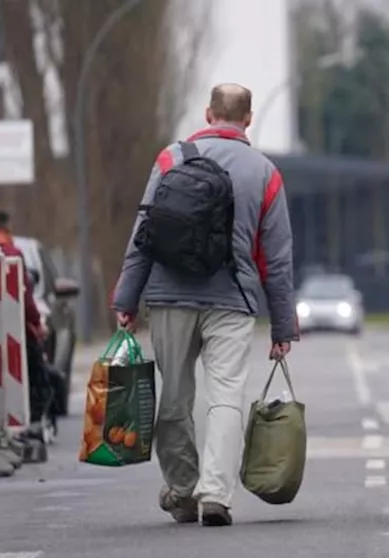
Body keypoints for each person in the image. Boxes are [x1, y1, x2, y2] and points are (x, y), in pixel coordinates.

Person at [112, 83, 298, 527]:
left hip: (169, 294)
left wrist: (127, 297)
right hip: (232, 300)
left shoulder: (170, 159)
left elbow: (144, 230)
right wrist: (282, 327)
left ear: (208, 113)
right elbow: (277, 256)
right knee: (226, 398)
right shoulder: (265, 171)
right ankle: (217, 493)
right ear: (248, 119)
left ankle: (181, 489)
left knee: (174, 397)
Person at [0, 211, 45, 344]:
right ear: (6, 228)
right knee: (37, 361)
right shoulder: (13, 254)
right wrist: (37, 324)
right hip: (11, 326)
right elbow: (25, 296)